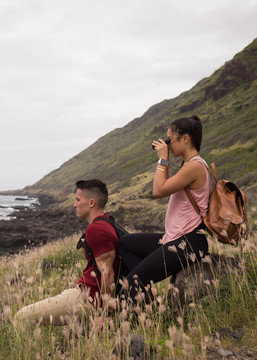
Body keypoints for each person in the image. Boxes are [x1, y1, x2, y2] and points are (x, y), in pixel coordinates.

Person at [117, 115, 211, 304]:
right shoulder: (189, 165)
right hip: (178, 237)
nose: (168, 144)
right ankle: (146, 293)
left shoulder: (195, 166)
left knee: (131, 283)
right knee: (125, 244)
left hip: (189, 242)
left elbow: (158, 190)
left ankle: (140, 313)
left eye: (170, 139)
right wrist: (166, 160)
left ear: (185, 138)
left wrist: (162, 159)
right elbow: (166, 184)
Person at [15, 179, 120, 325]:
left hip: (87, 299)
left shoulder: (96, 229)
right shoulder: (107, 221)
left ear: (91, 203)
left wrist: (104, 315)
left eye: (78, 200)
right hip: (83, 291)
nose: (74, 204)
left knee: (22, 316)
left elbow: (107, 274)